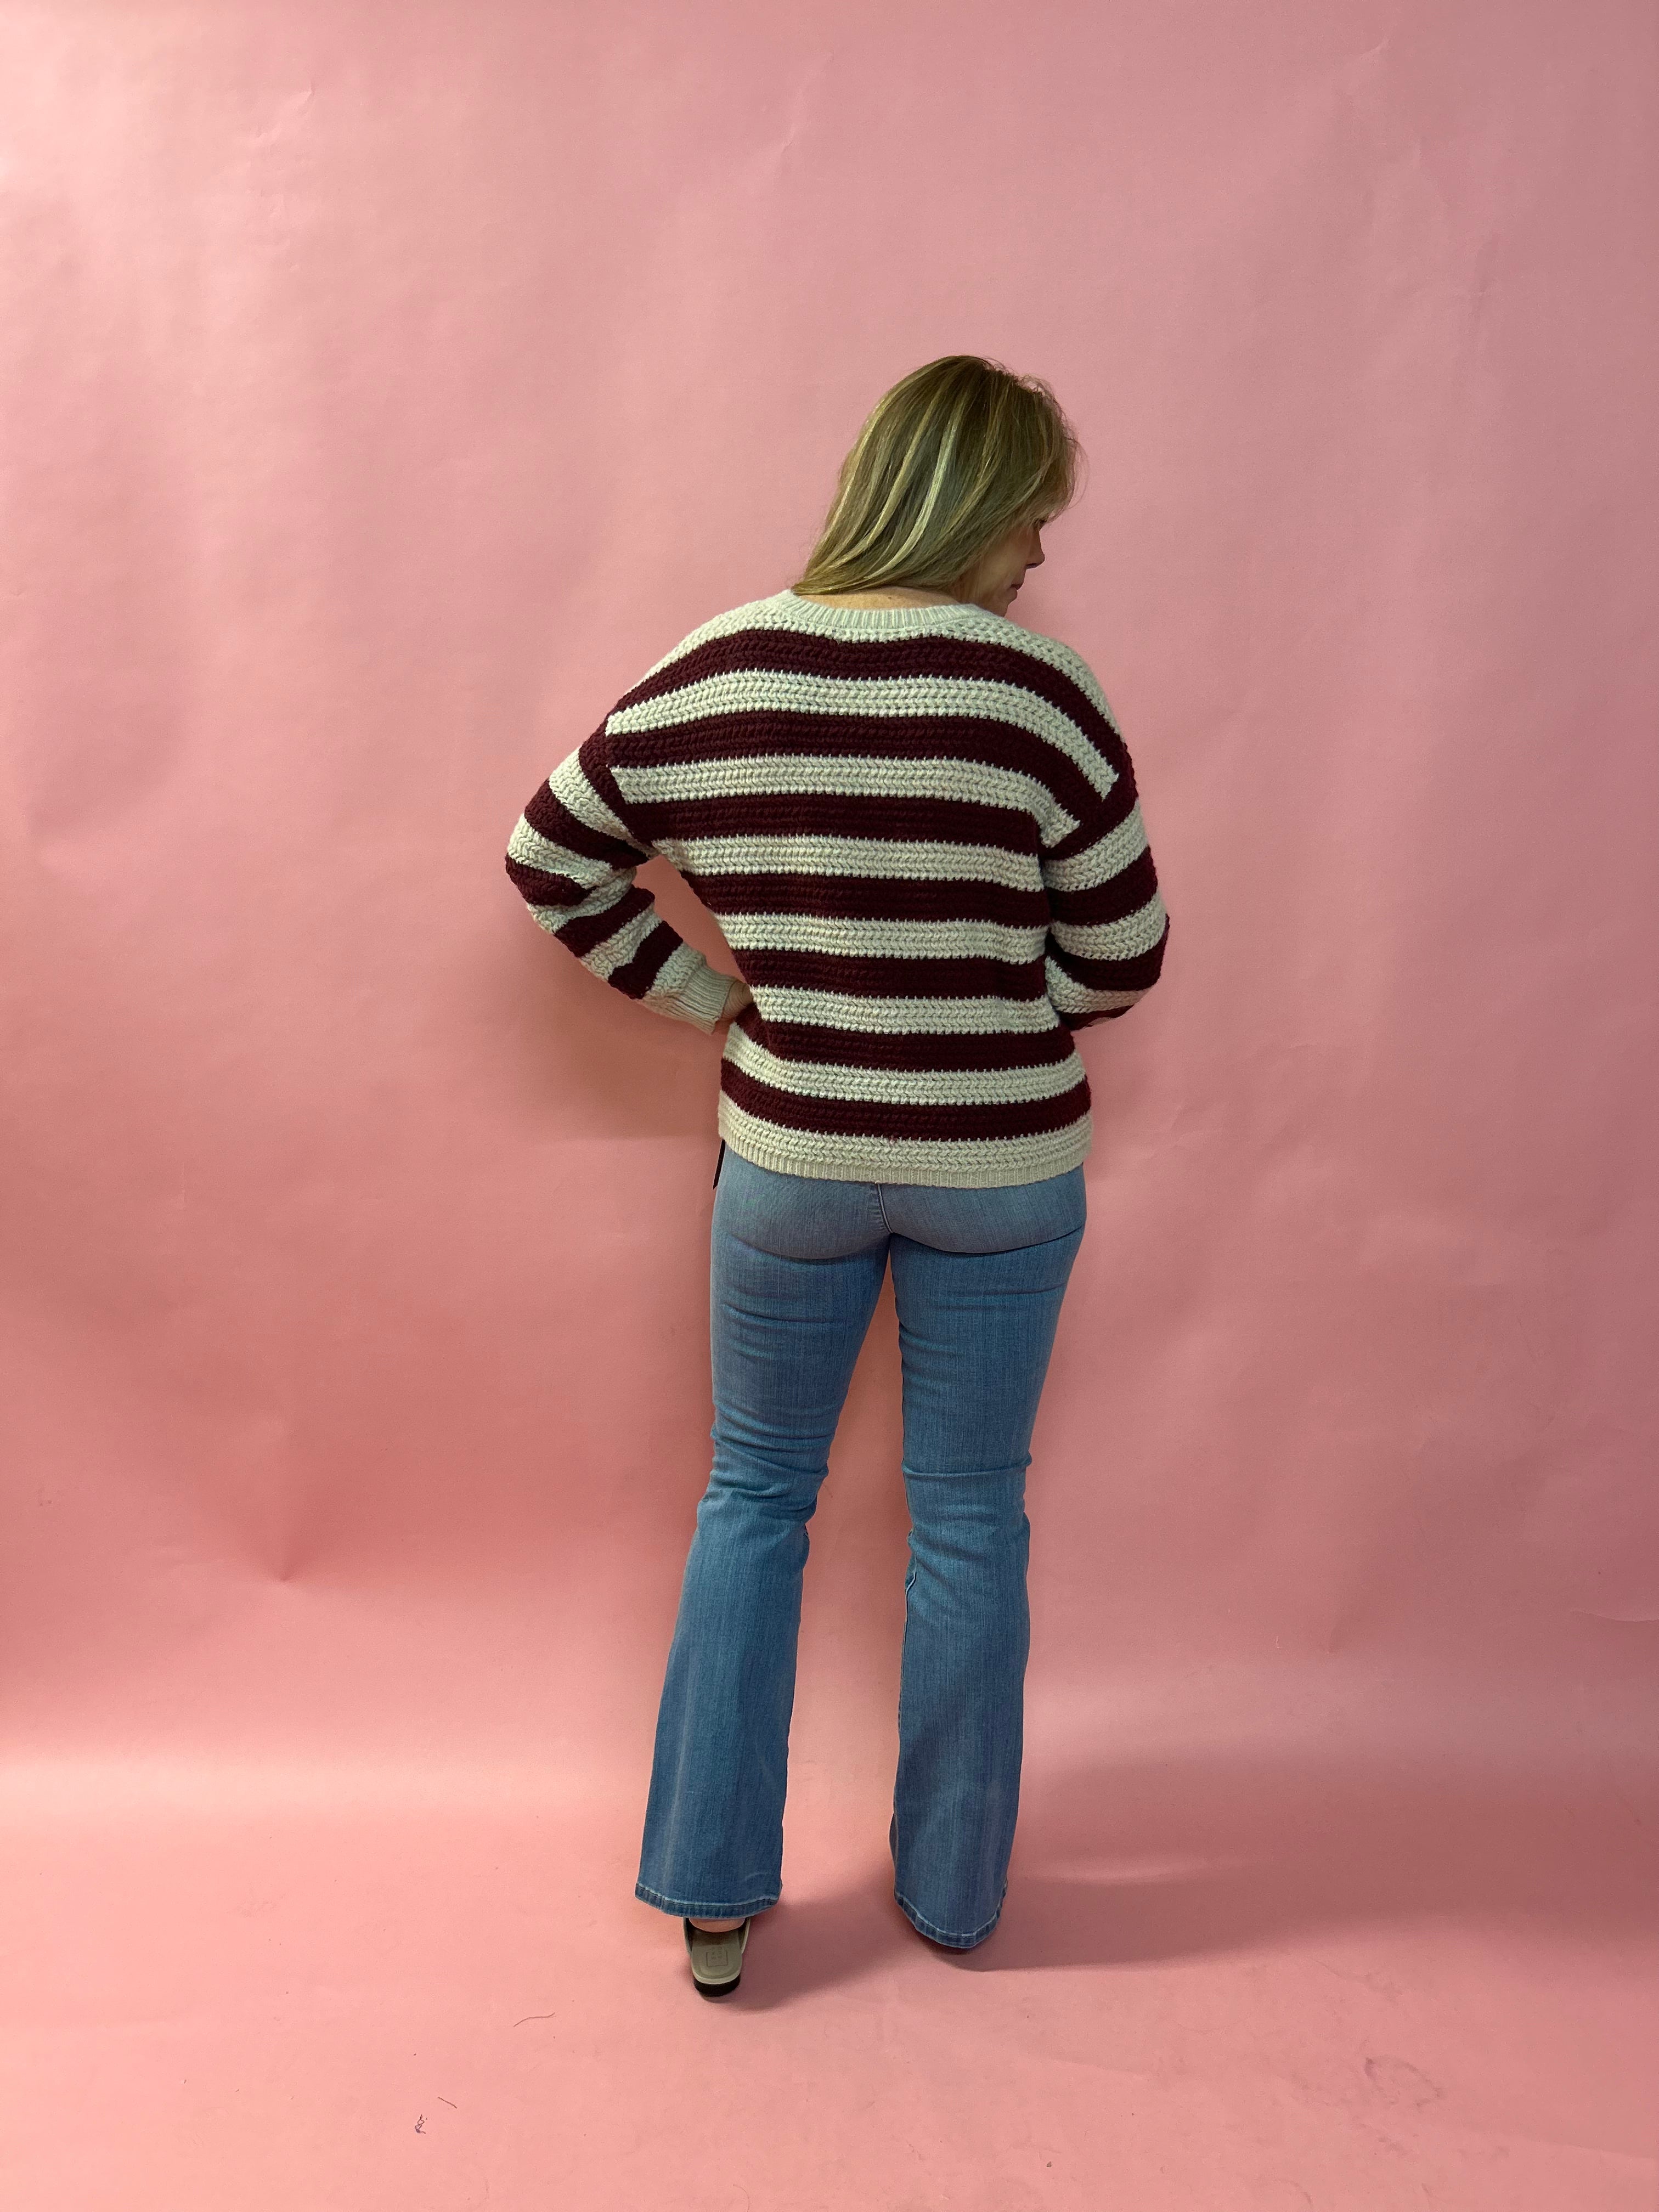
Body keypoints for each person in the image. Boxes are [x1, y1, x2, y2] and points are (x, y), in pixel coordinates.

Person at [503, 354, 1170, 1997]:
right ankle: (951, 1895)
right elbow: (1126, 956)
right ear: (976, 506)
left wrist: (720, 994)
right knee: (967, 1522)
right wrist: (1002, 994)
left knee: (753, 1500)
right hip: (1004, 1167)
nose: (1032, 561)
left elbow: (551, 854)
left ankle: (715, 1899)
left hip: (791, 1155)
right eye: (1031, 524)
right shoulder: (1039, 692)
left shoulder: (721, 666)